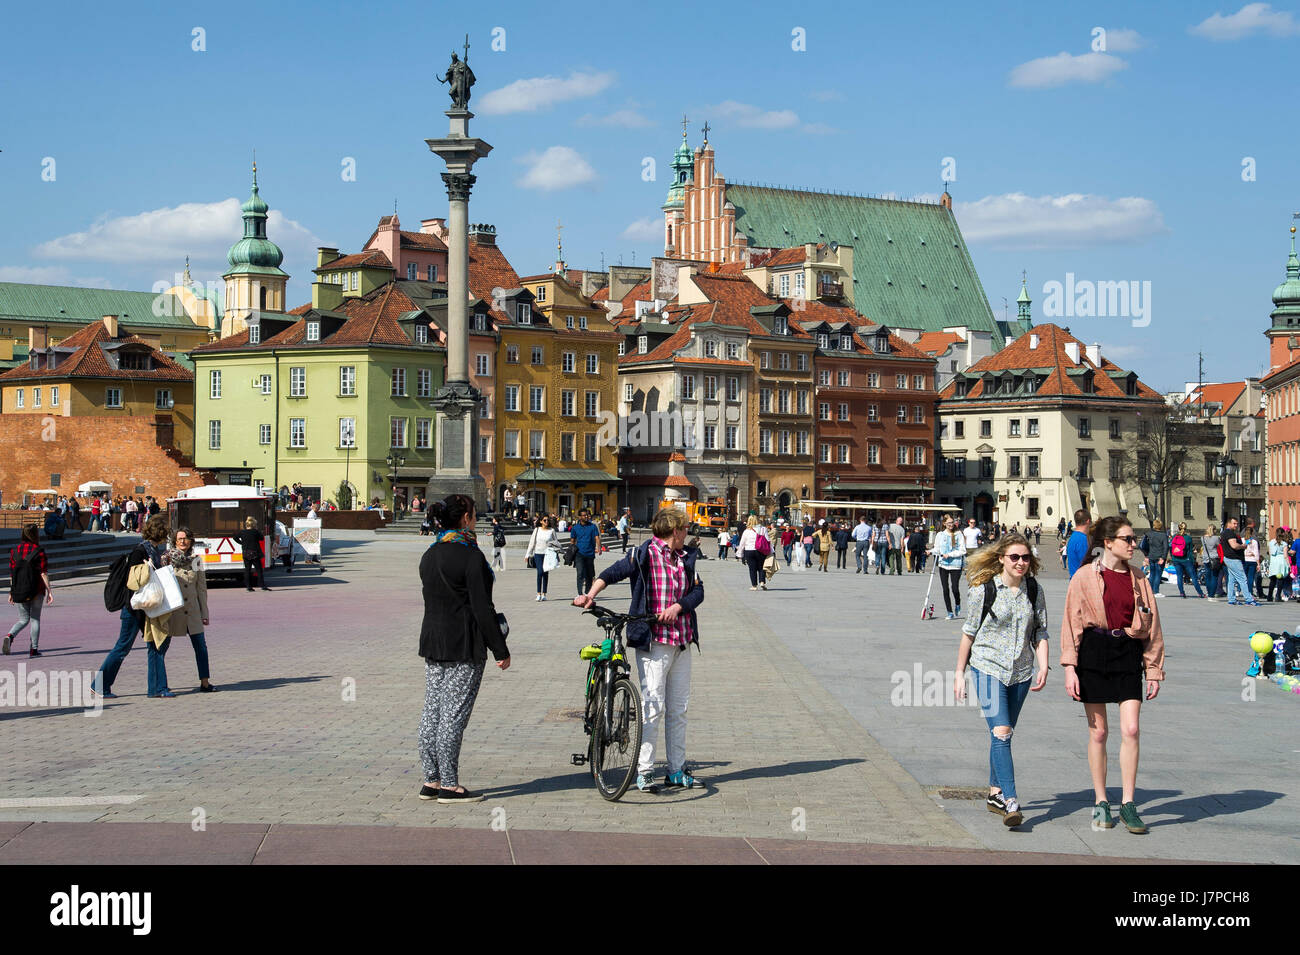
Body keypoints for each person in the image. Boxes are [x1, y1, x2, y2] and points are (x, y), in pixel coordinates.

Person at [574, 506, 705, 793]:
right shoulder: (644, 554)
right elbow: (612, 572)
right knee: (653, 707)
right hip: (653, 641)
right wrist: (589, 595)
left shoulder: (686, 558)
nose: (687, 534)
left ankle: (676, 769)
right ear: (674, 531)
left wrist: (678, 606)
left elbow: (698, 592)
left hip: (682, 640)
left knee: (679, 709)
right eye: (684, 529)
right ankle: (644, 771)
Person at [1060, 515, 1165, 835]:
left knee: (1131, 729)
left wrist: (1154, 669)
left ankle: (1129, 804)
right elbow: (1071, 623)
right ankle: (1102, 800)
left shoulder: (1139, 578)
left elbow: (1153, 625)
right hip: (1092, 653)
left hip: (1127, 652)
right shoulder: (1083, 577)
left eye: (1133, 539)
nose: (1134, 545)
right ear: (1108, 542)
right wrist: (1068, 668)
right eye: (1128, 539)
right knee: (1099, 733)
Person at [418, 494, 511, 803]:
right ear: (465, 519)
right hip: (464, 644)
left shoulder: (430, 554)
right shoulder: (470, 556)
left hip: (434, 641)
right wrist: (500, 650)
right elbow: (482, 608)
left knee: (432, 711)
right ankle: (450, 785)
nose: (476, 517)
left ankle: (431, 780)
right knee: (453, 716)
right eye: (473, 512)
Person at [955, 532, 1049, 829]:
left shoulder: (1034, 590)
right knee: (1003, 731)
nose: (1021, 562)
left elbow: (1041, 631)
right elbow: (969, 633)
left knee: (1002, 735)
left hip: (1021, 672)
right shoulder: (984, 590)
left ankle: (995, 793)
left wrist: (1044, 664)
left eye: (1025, 558)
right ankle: (1010, 799)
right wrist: (959, 673)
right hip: (987, 667)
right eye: (1015, 557)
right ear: (1001, 559)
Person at [93, 515, 172, 698]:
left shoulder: (152, 549)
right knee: (123, 647)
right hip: (134, 608)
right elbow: (134, 581)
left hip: (145, 607)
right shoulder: (141, 550)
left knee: (155, 645)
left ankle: (157, 688)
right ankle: (100, 685)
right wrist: (149, 569)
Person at [166, 528, 215, 692]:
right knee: (162, 647)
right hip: (174, 611)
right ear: (174, 541)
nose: (182, 541)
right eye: (179, 538)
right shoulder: (167, 559)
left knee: (201, 647)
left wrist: (204, 613)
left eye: (186, 538)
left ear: (191, 541)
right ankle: (160, 685)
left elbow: (202, 589)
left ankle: (205, 682)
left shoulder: (196, 560)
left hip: (193, 611)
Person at [5, 524, 53, 657]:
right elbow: (43, 573)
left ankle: (10, 636)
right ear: (35, 534)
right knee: (35, 619)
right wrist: (49, 591)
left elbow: (12, 574)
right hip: (36, 589)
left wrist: (11, 591)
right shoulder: (39, 551)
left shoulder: (14, 551)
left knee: (23, 619)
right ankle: (34, 649)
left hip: (19, 589)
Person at [931, 516, 967, 619]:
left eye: (952, 522)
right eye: (949, 523)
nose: (951, 525)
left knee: (954, 588)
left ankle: (957, 603)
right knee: (945, 589)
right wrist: (930, 551)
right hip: (943, 565)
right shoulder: (940, 535)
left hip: (955, 564)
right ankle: (949, 612)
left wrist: (950, 554)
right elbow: (937, 549)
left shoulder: (958, 534)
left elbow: (963, 550)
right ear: (944, 524)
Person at [1220, 517, 1257, 606]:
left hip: (1229, 558)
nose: (1236, 525)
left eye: (1237, 523)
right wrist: (1243, 546)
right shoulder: (1229, 533)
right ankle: (1249, 599)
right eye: (1234, 523)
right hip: (1233, 559)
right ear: (1229, 523)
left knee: (1232, 580)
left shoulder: (1226, 533)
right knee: (1242, 579)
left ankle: (1231, 599)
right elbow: (1234, 546)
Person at [524, 515, 558, 601]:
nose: (547, 521)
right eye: (545, 520)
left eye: (548, 520)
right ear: (541, 521)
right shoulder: (537, 530)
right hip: (538, 554)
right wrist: (527, 554)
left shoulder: (552, 531)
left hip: (548, 554)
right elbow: (532, 543)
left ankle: (544, 594)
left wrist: (557, 552)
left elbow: (556, 542)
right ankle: (538, 593)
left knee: (545, 573)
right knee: (540, 572)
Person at [1166, 521, 1204, 598]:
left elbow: (1171, 547)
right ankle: (1200, 593)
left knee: (1179, 576)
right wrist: (1193, 561)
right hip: (1186, 559)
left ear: (1178, 528)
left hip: (1176, 559)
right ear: (1185, 528)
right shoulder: (1188, 538)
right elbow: (1190, 551)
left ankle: (1182, 593)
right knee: (1193, 576)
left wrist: (1172, 557)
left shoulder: (1174, 537)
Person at [571, 509, 599, 598]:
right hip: (579, 553)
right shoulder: (575, 528)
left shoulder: (593, 526)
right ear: (580, 517)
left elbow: (597, 537)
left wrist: (599, 547)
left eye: (587, 515)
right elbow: (572, 541)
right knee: (580, 573)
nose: (586, 517)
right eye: (584, 515)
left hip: (590, 553)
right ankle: (580, 594)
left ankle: (587, 593)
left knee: (589, 575)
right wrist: (571, 552)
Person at [236, 517, 269, 591]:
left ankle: (248, 587)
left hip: (246, 552)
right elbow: (261, 538)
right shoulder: (255, 532)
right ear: (254, 525)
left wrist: (242, 543)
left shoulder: (242, 532)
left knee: (247, 570)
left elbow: (235, 538)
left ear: (246, 525)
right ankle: (262, 586)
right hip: (254, 553)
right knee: (259, 570)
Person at [1139, 519, 1169, 597]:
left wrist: (1146, 555)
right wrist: (1163, 557)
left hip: (1151, 556)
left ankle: (1150, 591)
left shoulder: (1149, 534)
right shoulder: (1163, 535)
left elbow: (1142, 545)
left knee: (1152, 574)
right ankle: (1156, 591)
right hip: (1159, 557)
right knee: (1158, 574)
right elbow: (1166, 547)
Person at [1066, 509, 1092, 578]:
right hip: (1082, 581)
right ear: (1088, 521)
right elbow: (1086, 564)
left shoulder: (1073, 537)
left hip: (1074, 579)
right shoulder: (1082, 539)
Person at [1267, 527, 1290, 602]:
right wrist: (1289, 564)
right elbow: (1285, 555)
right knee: (1280, 579)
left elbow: (1270, 553)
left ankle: (1269, 596)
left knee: (1272, 580)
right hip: (1281, 561)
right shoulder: (1284, 543)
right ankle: (1278, 596)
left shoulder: (1271, 542)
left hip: (1273, 561)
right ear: (1283, 534)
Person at [1200, 525, 1222, 600]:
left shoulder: (1202, 538)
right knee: (1214, 577)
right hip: (1214, 558)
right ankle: (1212, 594)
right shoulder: (1216, 538)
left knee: (1208, 576)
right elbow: (1219, 546)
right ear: (1214, 530)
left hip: (1206, 558)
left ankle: (1209, 591)